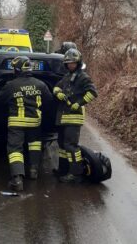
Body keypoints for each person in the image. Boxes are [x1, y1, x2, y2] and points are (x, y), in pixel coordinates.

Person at [0, 56, 52, 192]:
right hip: (35, 122)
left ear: (17, 70)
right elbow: (50, 102)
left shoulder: (11, 85)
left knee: (15, 149)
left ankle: (17, 179)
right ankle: (33, 171)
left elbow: (0, 101)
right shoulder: (41, 84)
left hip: (16, 123)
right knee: (34, 146)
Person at [53, 48, 97, 183]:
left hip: (74, 117)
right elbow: (56, 87)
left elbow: (92, 93)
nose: (70, 65)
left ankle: (76, 173)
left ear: (78, 63)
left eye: (73, 63)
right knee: (62, 145)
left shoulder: (83, 77)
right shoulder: (66, 77)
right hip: (63, 117)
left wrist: (79, 103)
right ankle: (63, 170)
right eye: (68, 63)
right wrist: (57, 92)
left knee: (71, 146)